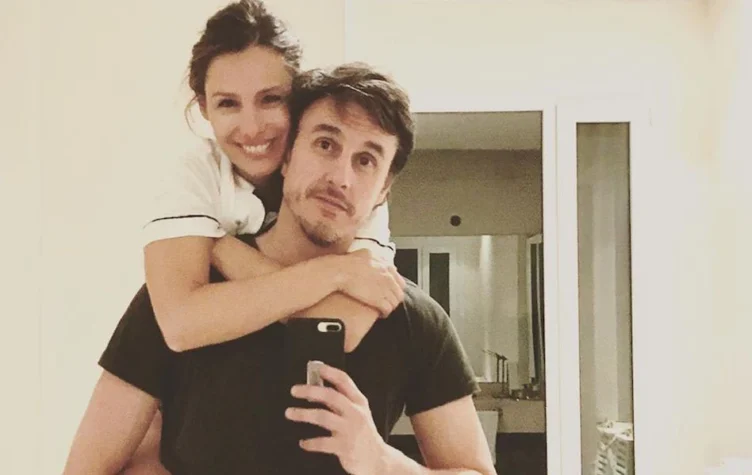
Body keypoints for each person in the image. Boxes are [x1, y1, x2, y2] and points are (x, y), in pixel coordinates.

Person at [63, 63, 497, 474]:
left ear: (383, 189)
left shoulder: (410, 318)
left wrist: (382, 462)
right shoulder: (189, 292)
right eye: (326, 144)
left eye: (366, 160)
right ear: (286, 157)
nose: (341, 178)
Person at [143, 0, 404, 361]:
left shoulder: (345, 188)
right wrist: (336, 272)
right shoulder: (194, 176)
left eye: (270, 99)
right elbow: (180, 324)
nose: (251, 128)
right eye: (228, 104)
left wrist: (220, 248)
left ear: (297, 101)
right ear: (203, 107)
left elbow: (342, 327)